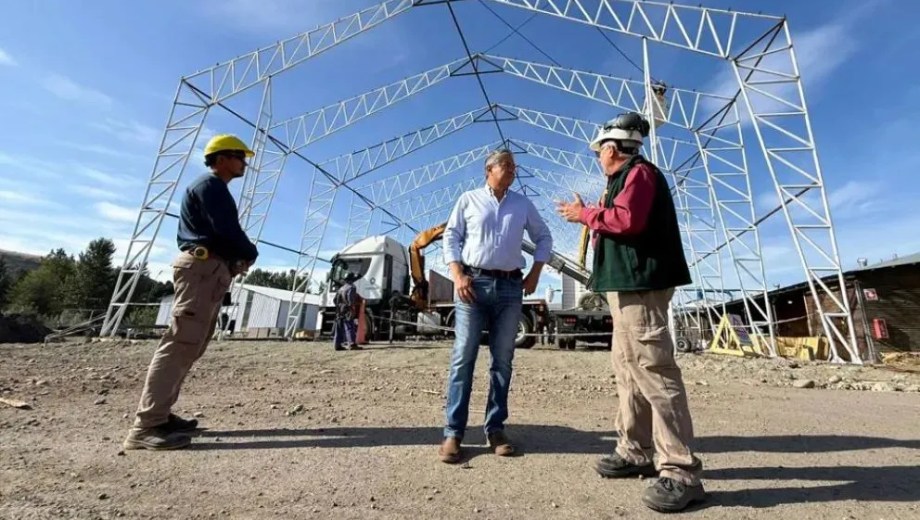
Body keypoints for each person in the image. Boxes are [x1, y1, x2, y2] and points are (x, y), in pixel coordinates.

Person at [556, 113, 704, 513]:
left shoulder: (639, 174)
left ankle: (681, 471)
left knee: (654, 371)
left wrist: (584, 216)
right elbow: (618, 218)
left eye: (599, 152)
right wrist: (593, 213)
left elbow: (628, 221)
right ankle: (635, 451)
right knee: (629, 370)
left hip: (642, 286)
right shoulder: (622, 181)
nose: (597, 159)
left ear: (611, 149)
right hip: (624, 287)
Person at [123, 134, 259, 451]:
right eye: (240, 156)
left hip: (209, 270)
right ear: (222, 158)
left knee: (190, 346)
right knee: (180, 343)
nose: (245, 163)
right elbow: (227, 230)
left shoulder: (214, 189)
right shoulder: (211, 187)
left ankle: (160, 415)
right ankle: (145, 427)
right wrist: (250, 253)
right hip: (200, 269)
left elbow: (220, 234)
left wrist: (233, 260)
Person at [438, 148, 553, 463]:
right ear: (489, 169)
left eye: (514, 166)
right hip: (473, 287)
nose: (513, 169)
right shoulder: (469, 199)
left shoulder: (522, 204)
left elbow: (544, 237)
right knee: (464, 358)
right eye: (507, 165)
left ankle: (495, 428)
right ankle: (454, 433)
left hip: (510, 288)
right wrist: (457, 274)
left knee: (502, 362)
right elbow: (451, 237)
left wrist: (535, 273)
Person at [333, 272, 363, 351]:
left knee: (339, 327)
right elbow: (350, 300)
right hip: (347, 309)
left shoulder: (341, 288)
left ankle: (337, 345)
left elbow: (335, 300)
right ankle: (352, 344)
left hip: (339, 309)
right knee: (349, 326)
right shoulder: (352, 287)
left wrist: (340, 306)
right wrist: (352, 308)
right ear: (352, 279)